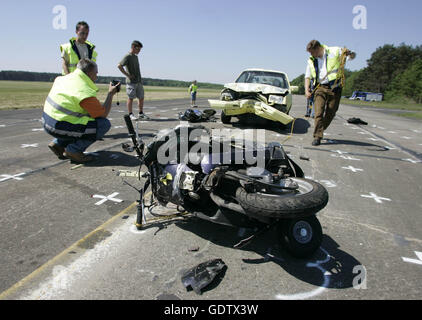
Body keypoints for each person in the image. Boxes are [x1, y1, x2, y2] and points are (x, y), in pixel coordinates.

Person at [43, 58, 120, 163]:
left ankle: (58, 144)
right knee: (103, 124)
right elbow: (102, 114)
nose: (96, 77)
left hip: (47, 122)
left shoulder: (62, 78)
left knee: (80, 121)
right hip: (59, 127)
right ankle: (73, 151)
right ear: (89, 73)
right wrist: (110, 94)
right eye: (96, 73)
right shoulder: (84, 90)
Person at [304, 40, 355, 146]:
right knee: (318, 113)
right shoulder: (311, 60)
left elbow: (351, 57)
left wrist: (350, 53)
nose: (311, 55)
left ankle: (320, 129)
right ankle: (317, 136)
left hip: (335, 87)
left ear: (318, 48)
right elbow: (307, 76)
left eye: (312, 52)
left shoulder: (335, 51)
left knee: (331, 111)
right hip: (320, 87)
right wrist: (306, 89)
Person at [117, 40, 149, 120]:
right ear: (133, 47)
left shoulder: (135, 57)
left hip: (138, 81)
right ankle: (130, 114)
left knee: (141, 97)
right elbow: (119, 65)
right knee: (131, 98)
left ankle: (141, 113)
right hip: (131, 82)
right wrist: (128, 75)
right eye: (138, 49)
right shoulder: (127, 56)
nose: (139, 51)